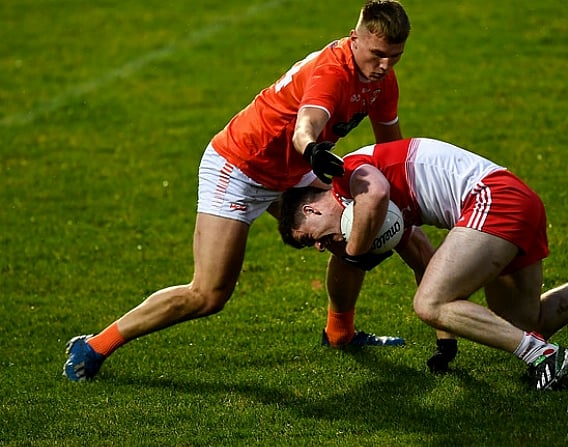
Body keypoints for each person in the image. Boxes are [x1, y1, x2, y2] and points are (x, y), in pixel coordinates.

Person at [63, 0, 419, 382]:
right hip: (240, 168)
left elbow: (388, 150)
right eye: (378, 54)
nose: (384, 65)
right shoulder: (332, 72)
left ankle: (340, 334)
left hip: (293, 171)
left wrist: (400, 202)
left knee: (357, 232)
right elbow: (306, 126)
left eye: (394, 57)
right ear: (355, 39)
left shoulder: (382, 81)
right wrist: (314, 149)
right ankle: (94, 346)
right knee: (209, 294)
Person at [277, 137, 568, 389]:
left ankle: (544, 357)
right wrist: (446, 343)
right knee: (528, 320)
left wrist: (353, 254)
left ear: (312, 212)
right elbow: (424, 260)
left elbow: (378, 192)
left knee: (428, 303)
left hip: (492, 200)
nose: (320, 248)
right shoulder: (374, 212)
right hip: (516, 201)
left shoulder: (348, 179)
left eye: (310, 240)